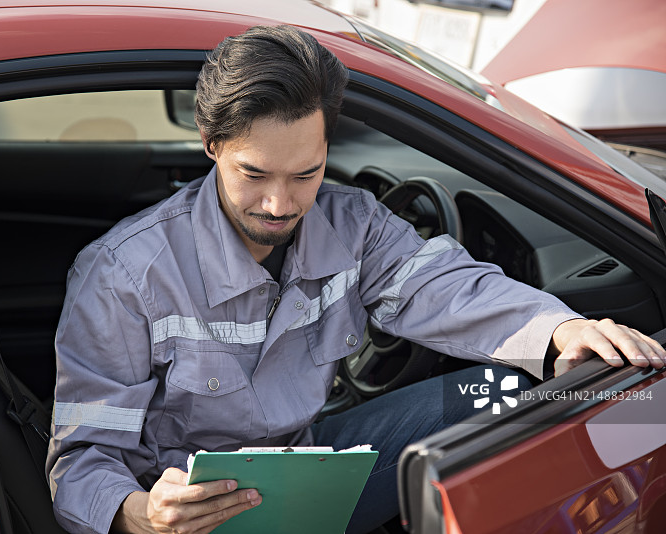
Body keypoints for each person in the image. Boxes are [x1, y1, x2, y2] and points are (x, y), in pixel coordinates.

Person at [46, 25, 666, 534]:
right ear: (211, 144)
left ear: (326, 146)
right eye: (255, 174)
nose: (280, 204)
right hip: (197, 517)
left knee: (511, 390)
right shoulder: (124, 273)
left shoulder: (355, 224)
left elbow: (446, 289)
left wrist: (561, 328)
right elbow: (81, 463)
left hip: (312, 473)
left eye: (306, 174)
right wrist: (142, 517)